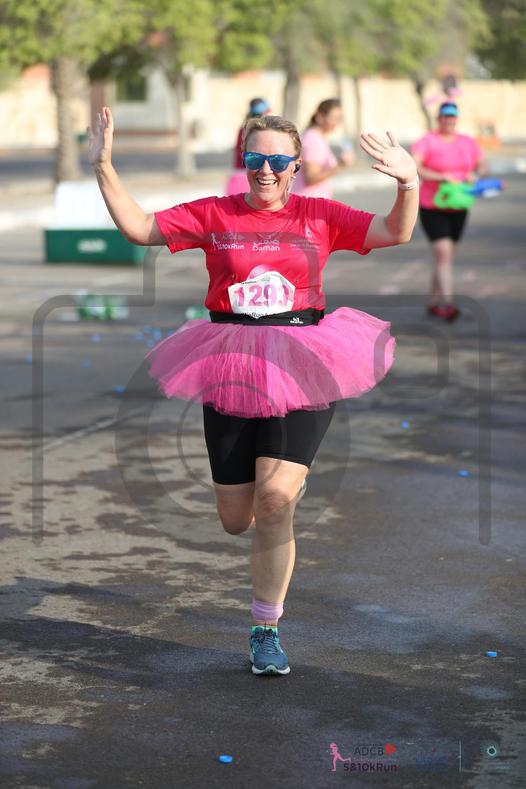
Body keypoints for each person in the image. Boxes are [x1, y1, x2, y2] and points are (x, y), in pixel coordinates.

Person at [88, 106, 419, 677]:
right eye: (254, 158)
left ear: (296, 165)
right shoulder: (214, 213)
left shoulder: (320, 214)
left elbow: (395, 232)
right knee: (235, 518)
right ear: (243, 160)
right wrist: (103, 165)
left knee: (274, 501)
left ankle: (266, 628)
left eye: (278, 160)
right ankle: (278, 484)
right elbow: (140, 228)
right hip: (231, 363)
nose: (266, 170)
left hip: (302, 359)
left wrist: (408, 182)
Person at [411, 101, 489, 321]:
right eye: (445, 116)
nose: (448, 120)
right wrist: (440, 177)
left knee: (444, 257)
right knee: (443, 253)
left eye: (452, 117)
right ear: (439, 119)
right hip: (432, 206)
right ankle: (448, 304)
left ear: (457, 119)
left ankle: (433, 302)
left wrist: (476, 174)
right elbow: (415, 167)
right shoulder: (428, 141)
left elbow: (483, 166)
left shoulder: (467, 142)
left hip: (459, 205)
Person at [293, 98, 355, 199]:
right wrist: (340, 165)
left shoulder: (317, 137)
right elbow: (311, 177)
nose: (336, 123)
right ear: (320, 117)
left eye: (339, 119)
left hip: (313, 201)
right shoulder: (313, 139)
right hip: (309, 202)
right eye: (333, 118)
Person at [225, 97, 271, 196]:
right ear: (264, 112)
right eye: (268, 111)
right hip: (247, 176)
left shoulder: (244, 129)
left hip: (239, 175)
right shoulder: (256, 131)